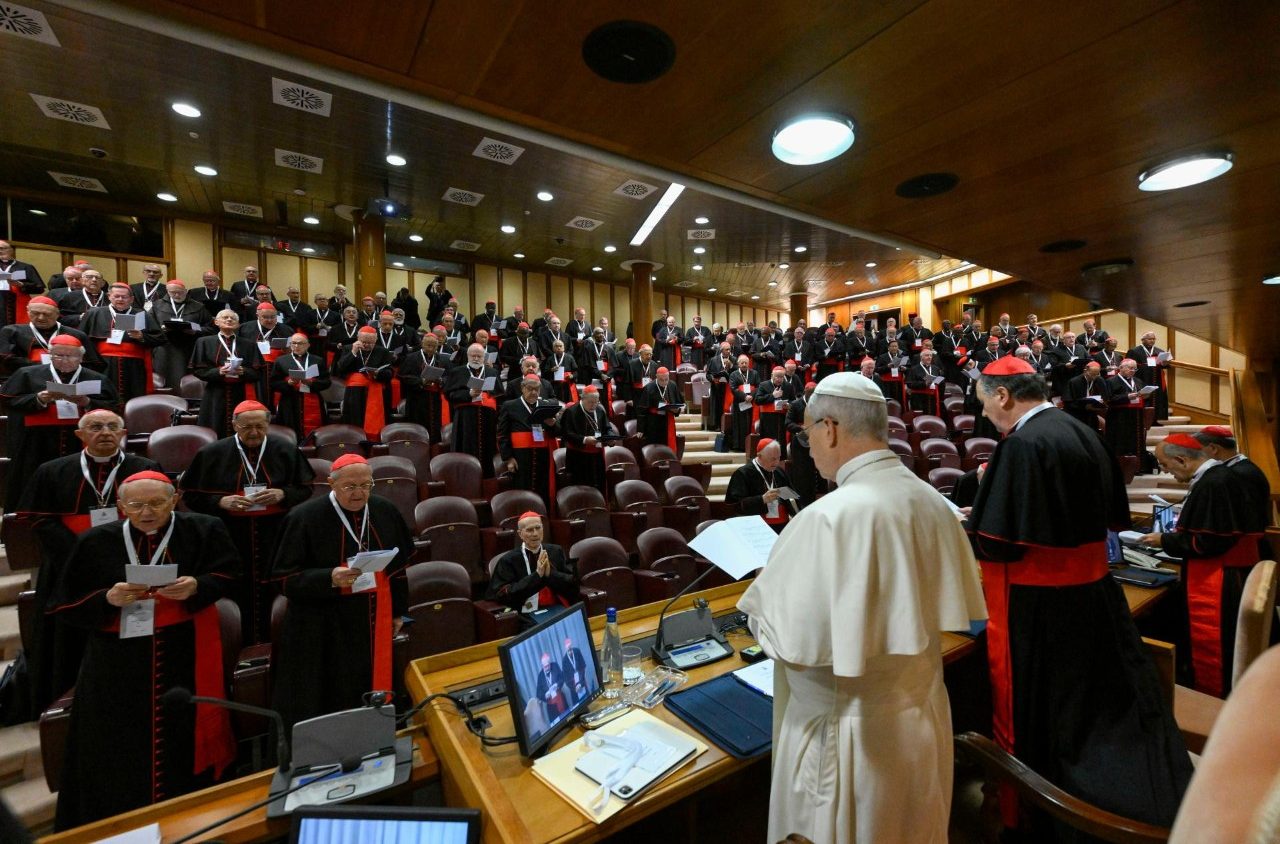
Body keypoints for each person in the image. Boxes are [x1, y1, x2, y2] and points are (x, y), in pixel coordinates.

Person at [738, 371, 985, 844]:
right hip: (921, 723)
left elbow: (786, 642)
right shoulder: (933, 501)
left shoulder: (826, 519)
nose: (808, 445)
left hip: (848, 744)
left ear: (829, 428)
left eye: (808, 431)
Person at [965, 356, 1192, 835]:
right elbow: (1109, 520)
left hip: (1037, 610)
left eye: (985, 400)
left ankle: (1032, 815)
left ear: (1003, 394)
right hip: (1091, 596)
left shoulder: (1022, 444)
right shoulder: (1082, 430)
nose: (983, 411)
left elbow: (995, 542)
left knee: (1044, 722)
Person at [49, 471, 239, 829]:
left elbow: (229, 573)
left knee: (184, 731)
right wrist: (107, 597)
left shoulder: (203, 528)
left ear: (174, 499)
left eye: (156, 503)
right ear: (121, 506)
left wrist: (198, 585)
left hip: (188, 650)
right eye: (136, 504)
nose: (147, 512)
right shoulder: (95, 541)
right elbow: (64, 603)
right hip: (117, 660)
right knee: (115, 744)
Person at [18, 411, 159, 717]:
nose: (105, 432)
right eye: (95, 427)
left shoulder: (145, 469)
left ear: (123, 433)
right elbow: (39, 518)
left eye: (112, 426)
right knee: (68, 641)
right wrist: (82, 551)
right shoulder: (52, 471)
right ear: (80, 435)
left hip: (132, 561)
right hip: (69, 567)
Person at [270, 454, 411, 728]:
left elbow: (398, 570)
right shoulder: (303, 517)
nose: (359, 493)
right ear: (331, 484)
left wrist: (399, 613)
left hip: (373, 619)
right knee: (331, 690)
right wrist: (329, 578)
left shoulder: (385, 510)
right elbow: (283, 579)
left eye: (366, 485)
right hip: (322, 626)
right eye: (349, 487)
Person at [1138, 434, 1266, 698]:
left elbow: (1207, 541)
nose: (1166, 471)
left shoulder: (1214, 483)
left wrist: (1164, 539)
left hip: (1218, 578)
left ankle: (1211, 702)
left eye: (1165, 465)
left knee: (1215, 650)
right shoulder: (1219, 476)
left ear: (1181, 460)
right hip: (1227, 571)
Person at [179, 401, 315, 644]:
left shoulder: (285, 448)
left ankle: (274, 642)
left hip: (276, 533)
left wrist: (283, 495)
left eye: (260, 427)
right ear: (234, 425)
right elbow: (190, 496)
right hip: (229, 535)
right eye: (247, 427)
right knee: (236, 589)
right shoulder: (212, 453)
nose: (253, 433)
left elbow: (305, 488)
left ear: (268, 424)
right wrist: (221, 502)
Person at [1, 335, 118, 509]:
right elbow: (7, 400)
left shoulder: (97, 379)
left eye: (69, 356)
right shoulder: (27, 374)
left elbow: (114, 406)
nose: (63, 360)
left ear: (81, 357)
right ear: (50, 355)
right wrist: (39, 399)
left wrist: (86, 402)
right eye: (58, 356)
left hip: (78, 439)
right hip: (36, 441)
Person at [486, 512, 578, 626]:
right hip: (525, 613)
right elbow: (503, 596)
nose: (535, 534)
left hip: (556, 607)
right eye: (529, 530)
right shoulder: (508, 560)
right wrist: (537, 575)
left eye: (538, 528)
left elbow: (572, 586)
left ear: (543, 529)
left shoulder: (555, 551)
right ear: (520, 534)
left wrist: (551, 575)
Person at [79, 283, 166, 402]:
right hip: (102, 364)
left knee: (134, 397)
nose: (120, 299)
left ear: (131, 299)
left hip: (134, 367)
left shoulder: (141, 315)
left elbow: (160, 338)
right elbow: (81, 338)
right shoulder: (94, 313)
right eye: (116, 296)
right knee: (104, 396)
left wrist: (141, 336)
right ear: (109, 296)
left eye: (124, 297)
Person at [191, 309, 263, 437]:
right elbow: (198, 370)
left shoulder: (249, 344)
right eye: (225, 318)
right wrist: (218, 371)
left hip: (240, 392)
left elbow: (258, 372)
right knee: (214, 428)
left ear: (238, 324)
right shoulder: (204, 342)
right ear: (216, 322)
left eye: (233, 318)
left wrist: (244, 371)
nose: (229, 320)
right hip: (214, 393)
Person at [498, 376, 562, 504]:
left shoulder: (546, 405)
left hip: (542, 456)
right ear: (522, 388)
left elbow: (558, 432)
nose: (533, 392)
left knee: (542, 488)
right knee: (522, 488)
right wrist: (508, 458)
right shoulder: (510, 405)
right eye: (530, 389)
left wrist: (552, 425)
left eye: (537, 389)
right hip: (520, 456)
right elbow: (502, 434)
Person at [445, 343, 502, 477]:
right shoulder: (457, 372)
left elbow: (499, 394)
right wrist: (468, 394)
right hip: (465, 419)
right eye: (473, 355)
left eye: (479, 356)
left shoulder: (492, 372)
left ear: (484, 357)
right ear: (468, 356)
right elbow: (450, 395)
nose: (476, 358)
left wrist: (488, 394)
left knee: (488, 451)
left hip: (488, 418)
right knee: (466, 448)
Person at [334, 325, 394, 439]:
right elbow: (340, 368)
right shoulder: (348, 348)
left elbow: (390, 373)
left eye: (370, 343)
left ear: (375, 340)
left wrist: (377, 374)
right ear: (358, 338)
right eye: (363, 342)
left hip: (376, 391)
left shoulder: (383, 351)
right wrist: (353, 352)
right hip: (354, 393)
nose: (366, 345)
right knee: (354, 419)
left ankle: (374, 441)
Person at [724, 439, 795, 532]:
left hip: (782, 525)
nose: (777, 462)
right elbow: (735, 505)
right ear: (759, 456)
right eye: (773, 459)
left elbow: (792, 497)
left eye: (778, 458)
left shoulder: (779, 472)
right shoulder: (742, 473)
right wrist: (762, 499)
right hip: (756, 527)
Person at [151, 280, 211, 389]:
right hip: (165, 347)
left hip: (188, 347)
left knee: (185, 378)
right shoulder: (157, 305)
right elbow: (149, 326)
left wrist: (196, 330)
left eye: (180, 292)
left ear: (186, 291)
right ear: (167, 291)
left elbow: (210, 328)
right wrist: (161, 329)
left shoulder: (198, 306)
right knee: (163, 377)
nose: (177, 295)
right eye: (173, 292)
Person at [270, 333, 331, 439]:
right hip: (289, 401)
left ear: (308, 345)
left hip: (312, 397)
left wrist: (311, 383)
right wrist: (288, 383)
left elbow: (326, 382)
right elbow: (273, 383)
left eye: (300, 343)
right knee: (289, 430)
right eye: (293, 343)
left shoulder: (317, 360)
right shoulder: (281, 361)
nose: (296, 346)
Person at [558, 385, 616, 492]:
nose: (593, 405)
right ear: (582, 398)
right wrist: (584, 439)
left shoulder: (599, 410)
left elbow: (607, 427)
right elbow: (566, 433)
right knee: (580, 486)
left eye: (596, 402)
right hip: (577, 455)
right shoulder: (571, 411)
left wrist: (610, 437)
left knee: (597, 483)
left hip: (597, 454)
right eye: (590, 402)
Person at [398, 332, 452, 443]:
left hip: (436, 399)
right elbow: (403, 376)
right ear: (422, 344)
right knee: (418, 427)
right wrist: (421, 381)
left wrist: (441, 380)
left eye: (434, 346)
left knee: (435, 426)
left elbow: (450, 376)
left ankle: (435, 446)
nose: (431, 348)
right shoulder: (411, 358)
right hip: (417, 398)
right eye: (428, 345)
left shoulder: (443, 360)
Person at [238, 301, 292, 409]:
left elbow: (293, 350)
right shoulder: (244, 328)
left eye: (273, 317)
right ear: (257, 315)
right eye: (265, 317)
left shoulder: (286, 329)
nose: (270, 320)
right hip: (253, 369)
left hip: (276, 370)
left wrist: (288, 350)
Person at [1105, 357, 1150, 459]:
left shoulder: (1137, 380)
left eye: (1135, 369)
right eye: (1131, 368)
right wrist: (1127, 397)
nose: (1133, 371)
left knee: (1136, 439)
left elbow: (1142, 395)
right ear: (1121, 368)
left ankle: (1138, 463)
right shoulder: (1111, 381)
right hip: (1119, 416)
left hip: (1136, 415)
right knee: (1120, 439)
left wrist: (1146, 395)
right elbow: (1109, 399)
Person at [784, 381, 819, 509]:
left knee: (813, 472)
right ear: (806, 393)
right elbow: (788, 423)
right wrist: (800, 428)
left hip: (815, 441)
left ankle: (813, 500)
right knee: (801, 473)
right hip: (799, 442)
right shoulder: (795, 404)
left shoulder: (819, 405)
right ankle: (801, 503)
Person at [0, 239, 46, 327]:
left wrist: (21, 284)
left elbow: (39, 288)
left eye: (2, 248)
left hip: (16, 306)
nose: (0, 251)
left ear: (11, 250)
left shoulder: (25, 267)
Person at [1127, 331, 1171, 421]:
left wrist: (1165, 363)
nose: (1152, 341)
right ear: (1143, 340)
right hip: (1142, 379)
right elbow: (1128, 365)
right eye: (1149, 339)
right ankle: (1143, 419)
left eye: (1153, 339)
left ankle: (1156, 419)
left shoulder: (1159, 351)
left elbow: (1166, 366)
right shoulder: (1134, 351)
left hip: (1156, 379)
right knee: (1145, 398)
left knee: (1157, 399)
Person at [637, 366, 682, 451]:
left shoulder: (672, 385)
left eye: (666, 379)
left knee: (668, 446)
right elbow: (642, 409)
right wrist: (640, 428)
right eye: (662, 380)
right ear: (657, 376)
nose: (664, 382)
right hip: (653, 421)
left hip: (668, 420)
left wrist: (677, 410)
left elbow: (679, 403)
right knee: (655, 447)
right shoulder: (649, 387)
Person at [755, 366, 795, 456]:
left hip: (781, 418)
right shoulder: (764, 385)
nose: (779, 379)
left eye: (781, 377)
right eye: (777, 376)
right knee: (768, 439)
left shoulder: (788, 386)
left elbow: (793, 400)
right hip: (767, 418)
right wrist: (773, 396)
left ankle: (781, 458)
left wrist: (788, 405)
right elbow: (757, 400)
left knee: (781, 439)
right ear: (772, 375)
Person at [725, 355, 760, 452]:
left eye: (746, 363)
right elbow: (733, 388)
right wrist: (744, 396)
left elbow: (758, 386)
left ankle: (750, 446)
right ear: (738, 364)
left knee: (749, 424)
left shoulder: (755, 373)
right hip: (739, 403)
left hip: (751, 403)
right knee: (738, 425)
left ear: (749, 363)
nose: (744, 365)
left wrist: (751, 396)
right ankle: (739, 446)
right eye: (742, 363)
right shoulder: (733, 374)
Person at [1063, 360, 1110, 430]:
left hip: (1093, 414)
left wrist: (1103, 403)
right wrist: (1085, 407)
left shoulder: (1100, 380)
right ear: (1085, 371)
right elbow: (1068, 403)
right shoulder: (1074, 382)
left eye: (1097, 374)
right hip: (1077, 415)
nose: (1094, 377)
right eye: (1092, 375)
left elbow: (1106, 397)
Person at [541, 338, 579, 404]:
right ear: (553, 349)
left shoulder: (570, 357)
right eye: (556, 346)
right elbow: (545, 372)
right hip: (554, 385)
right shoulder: (550, 358)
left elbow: (576, 371)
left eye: (560, 346)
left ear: (564, 347)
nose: (558, 348)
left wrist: (572, 376)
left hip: (567, 385)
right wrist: (551, 370)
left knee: (568, 403)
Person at [561, 636, 591, 705]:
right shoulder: (564, 660)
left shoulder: (577, 651)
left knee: (588, 702)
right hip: (573, 688)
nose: (570, 652)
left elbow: (583, 666)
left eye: (571, 649)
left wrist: (580, 683)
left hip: (582, 681)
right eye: (568, 650)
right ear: (565, 649)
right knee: (579, 706)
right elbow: (566, 679)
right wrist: (575, 687)